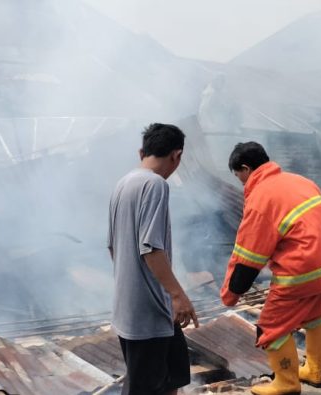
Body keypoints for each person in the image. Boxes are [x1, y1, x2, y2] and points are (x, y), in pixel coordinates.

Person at [221, 141, 321, 395]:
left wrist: (231, 294)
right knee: (313, 315)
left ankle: (287, 383)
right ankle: (314, 371)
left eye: (238, 176)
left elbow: (248, 257)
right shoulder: (299, 180)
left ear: (246, 169)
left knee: (270, 326)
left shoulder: (260, 198)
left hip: (303, 269)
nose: (241, 183)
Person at [108, 123, 197, 395]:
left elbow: (113, 247)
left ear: (141, 152)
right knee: (146, 388)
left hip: (142, 310)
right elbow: (151, 249)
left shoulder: (123, 184)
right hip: (147, 315)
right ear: (177, 156)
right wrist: (177, 295)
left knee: (173, 378)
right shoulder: (155, 184)